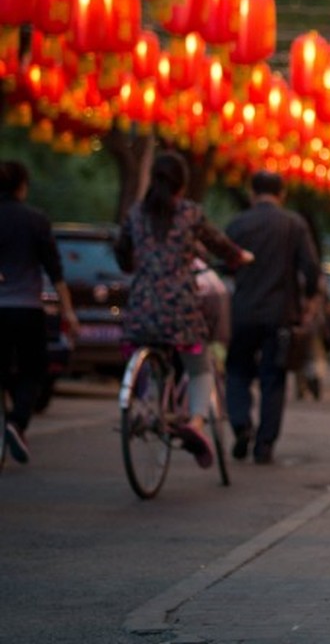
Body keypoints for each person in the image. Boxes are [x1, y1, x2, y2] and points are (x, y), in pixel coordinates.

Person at [115, 153, 252, 469]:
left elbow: (122, 253)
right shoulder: (190, 213)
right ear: (182, 183)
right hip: (180, 310)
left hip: (141, 309)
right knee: (200, 366)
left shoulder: (136, 213)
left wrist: (135, 264)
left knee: (146, 348)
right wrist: (238, 257)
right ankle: (196, 424)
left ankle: (140, 406)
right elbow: (220, 244)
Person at [224, 171, 320, 465]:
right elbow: (311, 268)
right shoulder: (294, 224)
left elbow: (223, 264)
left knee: (237, 371)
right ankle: (265, 444)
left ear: (252, 193)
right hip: (280, 314)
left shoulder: (237, 224)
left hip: (242, 311)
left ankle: (241, 424)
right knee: (273, 378)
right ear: (283, 194)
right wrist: (309, 300)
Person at [0, 161, 80, 464]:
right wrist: (68, 313)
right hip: (26, 308)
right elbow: (55, 271)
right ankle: (17, 422)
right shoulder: (35, 221)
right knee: (34, 370)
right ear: (22, 186)